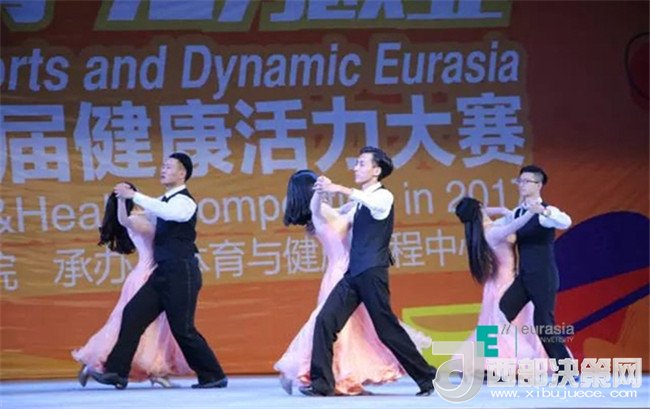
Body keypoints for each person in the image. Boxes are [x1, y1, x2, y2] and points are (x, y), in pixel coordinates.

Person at [274, 170, 431, 395]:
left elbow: (346, 211)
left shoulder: (331, 210)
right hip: (342, 274)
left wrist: (351, 202)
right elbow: (331, 214)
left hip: (354, 271)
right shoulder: (319, 210)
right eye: (316, 184)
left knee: (361, 330)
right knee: (339, 331)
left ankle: (338, 379)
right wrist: (328, 194)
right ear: (311, 189)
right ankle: (332, 380)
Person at [87, 153, 227, 389]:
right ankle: (116, 372)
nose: (163, 170)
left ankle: (213, 375)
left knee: (183, 329)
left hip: (182, 271)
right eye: (162, 166)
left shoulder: (184, 202)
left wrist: (135, 195)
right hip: (162, 272)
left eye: (169, 167)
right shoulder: (162, 201)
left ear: (182, 173)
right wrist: (122, 200)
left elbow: (169, 212)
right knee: (132, 314)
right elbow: (132, 219)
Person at [74, 184, 191, 388]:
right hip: (145, 277)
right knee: (139, 326)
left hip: (159, 274)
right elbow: (125, 221)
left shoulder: (147, 213)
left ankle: (156, 370)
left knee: (160, 326)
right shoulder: (135, 219)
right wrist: (122, 201)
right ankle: (98, 363)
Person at [454, 197, 547, 359]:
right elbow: (515, 225)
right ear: (479, 208)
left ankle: (498, 362)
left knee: (499, 327)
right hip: (506, 286)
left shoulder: (483, 230)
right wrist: (531, 212)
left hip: (497, 285)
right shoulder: (492, 232)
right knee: (511, 326)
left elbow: (501, 217)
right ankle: (513, 361)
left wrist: (503, 210)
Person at [499, 165, 573, 367]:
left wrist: (545, 211)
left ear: (539, 185)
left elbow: (565, 222)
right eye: (520, 181)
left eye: (527, 181)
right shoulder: (517, 212)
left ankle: (566, 369)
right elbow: (499, 226)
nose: (521, 185)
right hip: (524, 276)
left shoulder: (545, 213)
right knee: (500, 313)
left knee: (543, 325)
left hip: (543, 276)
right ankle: (493, 363)